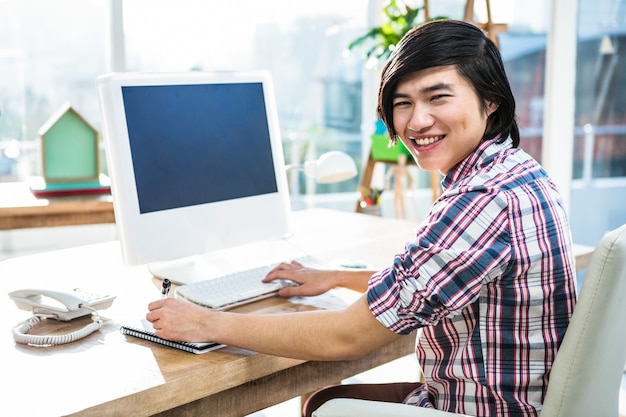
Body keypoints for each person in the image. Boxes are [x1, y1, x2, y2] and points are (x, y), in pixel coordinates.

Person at [146, 19, 577, 417]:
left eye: (438, 96)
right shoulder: (517, 174)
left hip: (481, 409)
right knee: (327, 399)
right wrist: (335, 276)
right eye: (402, 103)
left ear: (491, 103)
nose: (416, 120)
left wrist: (204, 322)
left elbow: (346, 337)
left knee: (325, 407)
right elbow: (434, 279)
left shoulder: (480, 201)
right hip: (518, 400)